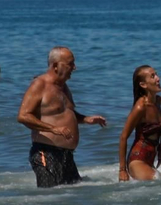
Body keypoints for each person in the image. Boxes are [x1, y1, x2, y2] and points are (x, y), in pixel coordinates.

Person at [17, 47, 106, 188]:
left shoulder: (63, 87)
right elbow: (23, 116)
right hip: (45, 153)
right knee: (50, 199)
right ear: (55, 66)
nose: (74, 68)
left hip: (67, 155)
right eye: (70, 64)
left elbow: (65, 113)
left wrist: (86, 119)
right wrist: (53, 129)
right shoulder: (40, 84)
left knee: (71, 199)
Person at [117, 65, 161, 181]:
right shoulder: (140, 107)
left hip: (150, 159)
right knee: (159, 183)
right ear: (143, 85)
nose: (158, 78)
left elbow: (157, 131)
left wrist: (160, 150)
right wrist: (122, 170)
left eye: (157, 74)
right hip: (137, 160)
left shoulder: (158, 101)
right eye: (152, 76)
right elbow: (123, 136)